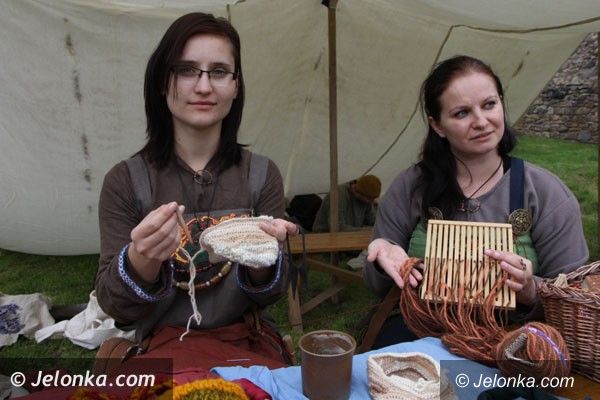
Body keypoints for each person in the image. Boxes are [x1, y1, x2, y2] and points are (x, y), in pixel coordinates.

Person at [95, 12, 297, 369]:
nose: (204, 87)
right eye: (187, 70)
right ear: (163, 80)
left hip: (247, 347)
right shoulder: (125, 181)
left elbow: (271, 295)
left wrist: (265, 259)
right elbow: (117, 309)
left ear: (236, 86)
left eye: (218, 72)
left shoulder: (262, 174)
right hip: (163, 351)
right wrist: (141, 260)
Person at [363, 55, 588, 348]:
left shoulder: (545, 192)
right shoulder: (411, 186)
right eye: (462, 113)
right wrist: (385, 261)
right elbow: (376, 285)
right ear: (437, 125)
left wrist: (530, 289)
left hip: (514, 344)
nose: (481, 122)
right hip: (420, 334)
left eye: (489, 105)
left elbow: (576, 299)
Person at [312, 174, 381, 233]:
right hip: (324, 237)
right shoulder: (339, 194)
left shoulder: (367, 200)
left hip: (349, 237)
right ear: (358, 194)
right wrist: (369, 230)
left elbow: (373, 221)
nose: (372, 202)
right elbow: (337, 228)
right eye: (369, 199)